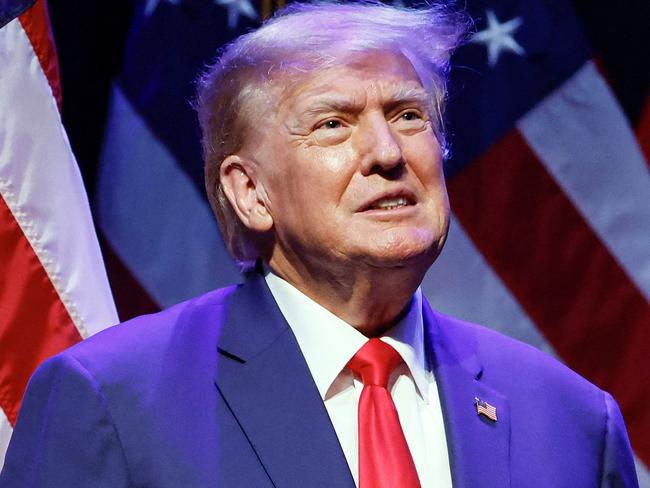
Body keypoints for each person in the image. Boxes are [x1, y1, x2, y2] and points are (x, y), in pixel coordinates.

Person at [0, 2, 639, 487]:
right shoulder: (112, 400)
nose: (387, 154)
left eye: (408, 115)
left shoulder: (573, 420)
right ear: (250, 192)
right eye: (332, 125)